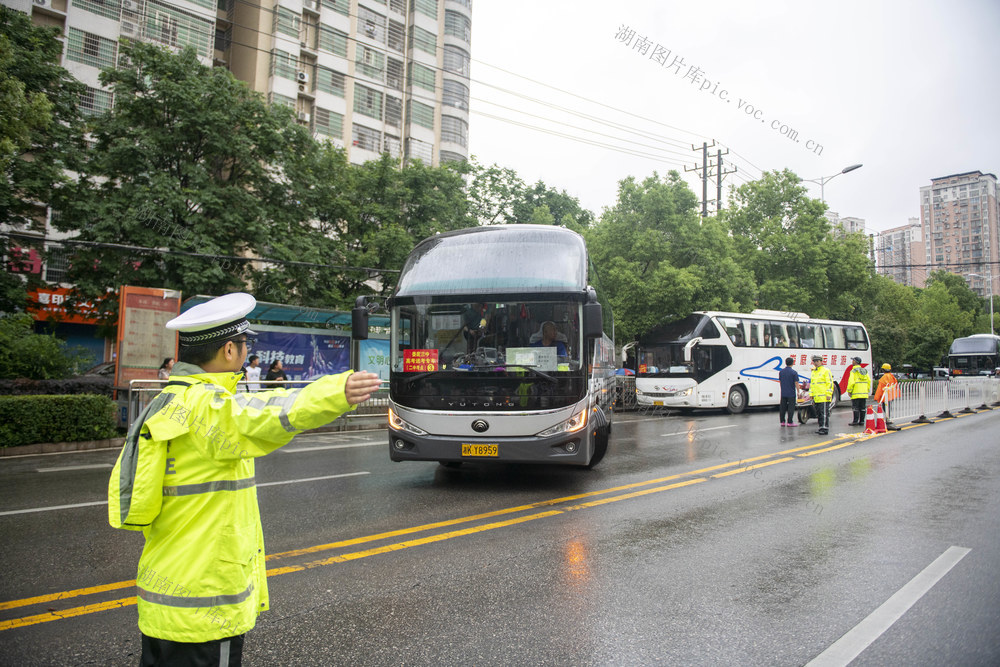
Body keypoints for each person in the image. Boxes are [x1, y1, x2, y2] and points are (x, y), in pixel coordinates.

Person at [107, 292, 381, 667]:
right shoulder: (205, 406)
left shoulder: (168, 400)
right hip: (203, 605)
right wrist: (337, 391)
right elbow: (265, 414)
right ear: (230, 352)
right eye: (243, 345)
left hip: (167, 591)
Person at [809, 354, 834, 435]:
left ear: (821, 361)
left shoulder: (826, 370)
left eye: (817, 361)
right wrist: (811, 394)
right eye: (814, 361)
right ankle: (821, 427)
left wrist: (829, 394)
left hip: (824, 396)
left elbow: (829, 383)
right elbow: (812, 384)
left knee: (824, 413)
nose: (815, 363)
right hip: (816, 397)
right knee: (819, 413)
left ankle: (824, 428)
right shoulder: (814, 372)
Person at [846, 356, 872, 426]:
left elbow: (851, 382)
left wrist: (849, 390)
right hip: (864, 393)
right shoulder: (864, 371)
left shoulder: (853, 371)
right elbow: (869, 381)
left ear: (856, 362)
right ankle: (862, 421)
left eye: (853, 360)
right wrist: (867, 390)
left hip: (856, 393)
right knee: (863, 408)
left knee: (855, 408)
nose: (852, 362)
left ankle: (855, 421)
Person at [778, 356, 799, 427]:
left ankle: (782, 422)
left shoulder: (781, 372)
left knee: (782, 407)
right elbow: (796, 383)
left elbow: (780, 381)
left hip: (783, 393)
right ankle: (790, 422)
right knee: (791, 408)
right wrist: (798, 391)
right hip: (791, 393)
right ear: (792, 363)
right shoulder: (794, 372)